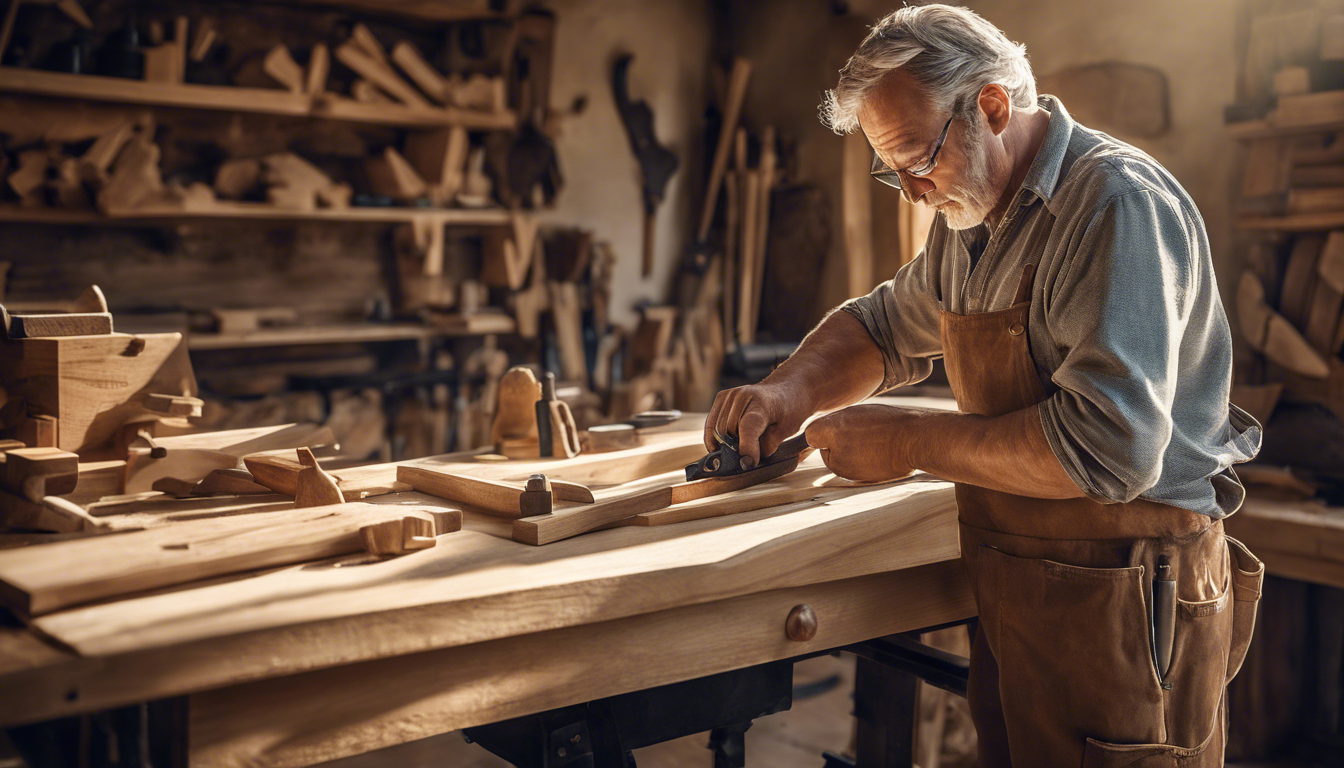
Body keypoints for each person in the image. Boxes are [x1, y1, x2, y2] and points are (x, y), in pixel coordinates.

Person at [703, 5, 1265, 766]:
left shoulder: (1112, 205)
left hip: (1133, 597)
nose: (909, 191)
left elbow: (1108, 451)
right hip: (1023, 588)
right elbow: (883, 325)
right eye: (888, 168)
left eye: (917, 159)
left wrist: (904, 440)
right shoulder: (971, 221)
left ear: (992, 107)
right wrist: (786, 392)